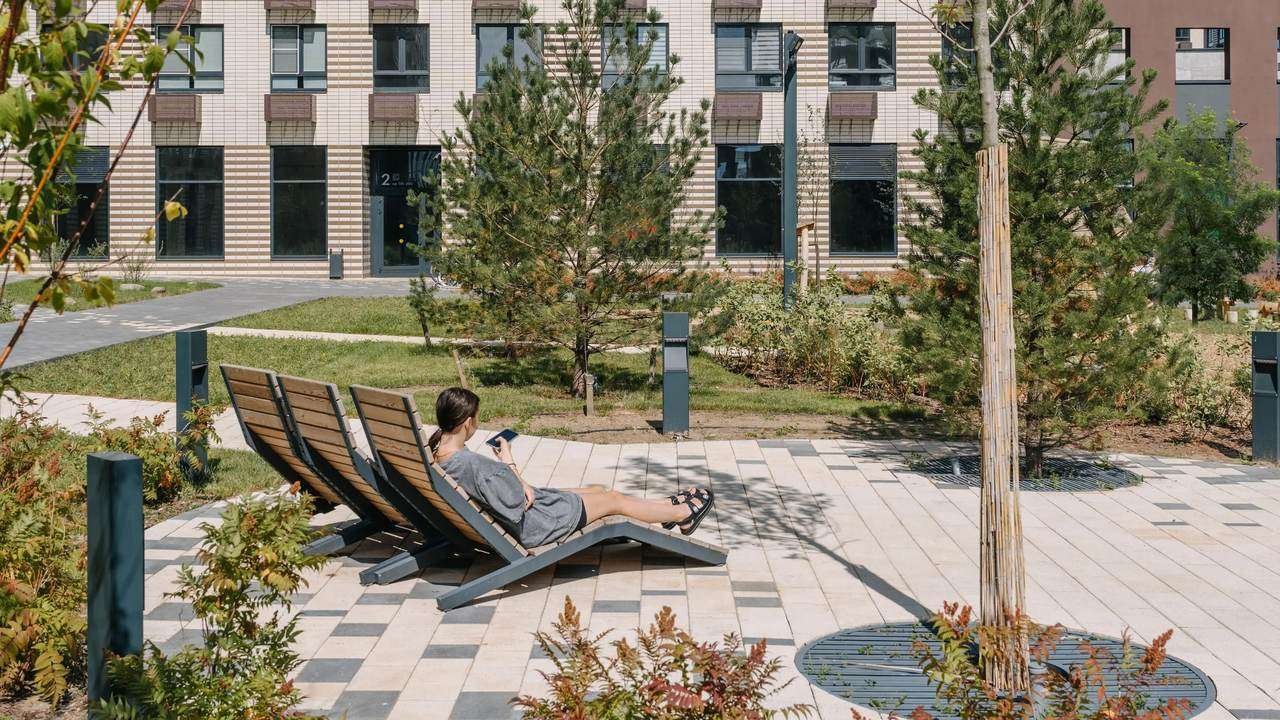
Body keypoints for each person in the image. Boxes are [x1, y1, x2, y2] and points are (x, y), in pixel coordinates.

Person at [428, 387, 714, 549]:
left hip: (534, 513)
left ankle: (664, 507)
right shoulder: (471, 464)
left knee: (599, 490)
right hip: (537, 524)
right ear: (468, 422)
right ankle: (681, 514)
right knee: (613, 500)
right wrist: (509, 462)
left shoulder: (440, 452)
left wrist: (520, 482)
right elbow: (517, 500)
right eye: (477, 418)